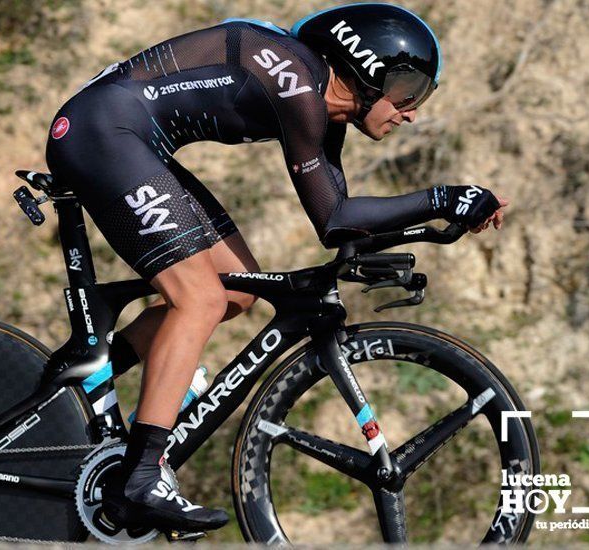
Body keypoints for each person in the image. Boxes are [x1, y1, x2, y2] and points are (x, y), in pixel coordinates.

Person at [44, 2, 507, 534]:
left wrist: (435, 220)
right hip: (103, 132)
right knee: (200, 298)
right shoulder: (295, 84)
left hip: (129, 138)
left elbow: (337, 224)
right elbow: (337, 217)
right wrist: (443, 196)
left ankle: (92, 376)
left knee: (235, 293)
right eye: (407, 93)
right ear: (363, 66)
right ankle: (141, 475)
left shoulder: (320, 108)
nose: (411, 112)